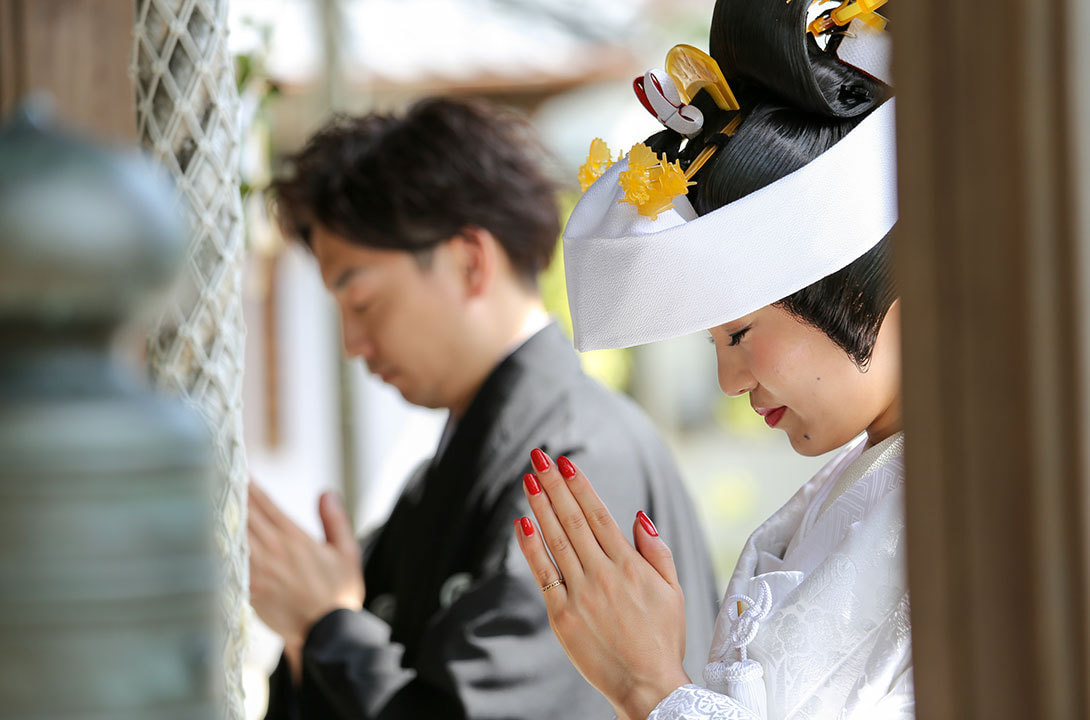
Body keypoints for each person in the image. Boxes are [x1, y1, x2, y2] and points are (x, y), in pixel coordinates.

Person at [248, 96, 719, 720]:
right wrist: (314, 624)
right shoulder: (449, 475)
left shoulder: (579, 464)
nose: (353, 345)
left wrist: (325, 624)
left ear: (470, 261)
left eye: (361, 303)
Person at [513, 1, 910, 718]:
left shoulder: (976, 497)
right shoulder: (854, 487)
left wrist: (650, 686)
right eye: (716, 344)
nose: (731, 381)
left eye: (738, 334)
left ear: (858, 274)